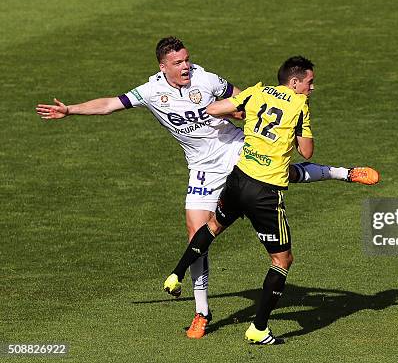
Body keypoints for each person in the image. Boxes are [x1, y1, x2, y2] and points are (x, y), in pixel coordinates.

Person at [36, 37, 379, 339]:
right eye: (178, 62)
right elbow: (111, 103)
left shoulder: (206, 78)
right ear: (163, 66)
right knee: (197, 233)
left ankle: (344, 173)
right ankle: (202, 312)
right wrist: (71, 110)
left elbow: (244, 98)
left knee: (282, 172)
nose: (186, 66)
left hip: (234, 149)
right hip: (201, 168)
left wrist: (242, 115)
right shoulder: (151, 90)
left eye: (187, 59)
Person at [164, 56, 331, 345]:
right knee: (282, 259)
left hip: (238, 180)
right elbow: (307, 152)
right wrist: (291, 132)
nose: (312, 88)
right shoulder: (299, 105)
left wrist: (244, 115)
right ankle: (259, 328)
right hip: (265, 192)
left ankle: (176, 274)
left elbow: (214, 109)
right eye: (309, 82)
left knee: (212, 226)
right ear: (294, 82)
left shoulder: (257, 91)